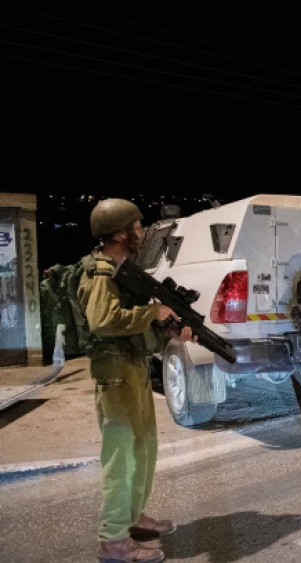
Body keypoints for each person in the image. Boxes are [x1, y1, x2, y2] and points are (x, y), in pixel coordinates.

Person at [80, 198, 196, 563]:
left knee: (143, 448)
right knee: (122, 455)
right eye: (137, 226)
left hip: (133, 367)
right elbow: (102, 321)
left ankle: (131, 516)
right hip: (115, 374)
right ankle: (112, 540)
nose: (142, 232)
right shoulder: (100, 271)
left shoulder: (122, 269)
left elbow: (134, 326)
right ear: (119, 232)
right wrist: (151, 311)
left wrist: (170, 332)